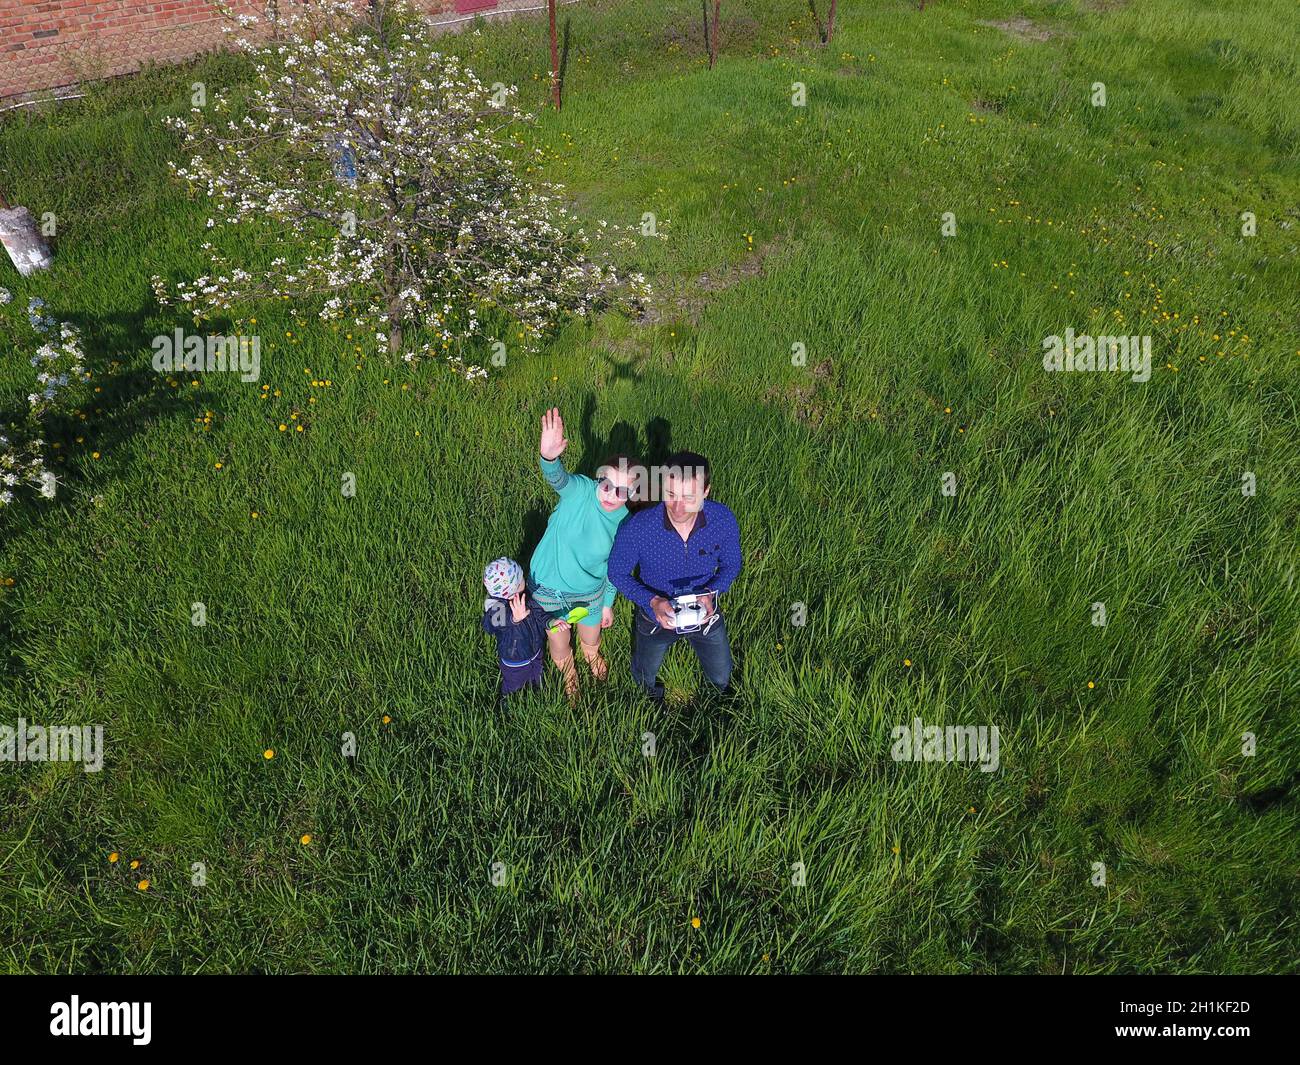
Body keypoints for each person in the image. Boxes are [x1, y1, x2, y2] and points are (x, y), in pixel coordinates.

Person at [607, 451, 742, 701]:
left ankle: (716, 706)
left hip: (705, 612)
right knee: (643, 677)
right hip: (654, 617)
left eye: (689, 497)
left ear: (706, 491)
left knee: (722, 676)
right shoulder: (638, 526)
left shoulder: (722, 519)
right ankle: (650, 705)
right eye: (670, 495)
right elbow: (617, 572)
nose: (678, 508)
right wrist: (652, 601)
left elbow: (732, 564)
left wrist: (711, 593)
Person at [529, 407, 636, 699]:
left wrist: (607, 603)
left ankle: (590, 655)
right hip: (549, 589)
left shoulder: (625, 521)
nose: (612, 495)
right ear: (598, 479)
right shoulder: (580, 491)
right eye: (608, 485)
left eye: (623, 491)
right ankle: (568, 671)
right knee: (559, 641)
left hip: (590, 591)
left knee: (591, 636)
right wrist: (550, 457)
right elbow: (557, 478)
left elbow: (615, 566)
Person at [481, 557, 563, 698]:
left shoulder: (525, 597)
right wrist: (514, 619)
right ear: (512, 589)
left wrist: (550, 622)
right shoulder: (497, 608)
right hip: (514, 659)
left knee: (537, 674)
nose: (524, 578)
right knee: (514, 684)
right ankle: (508, 699)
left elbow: (538, 612)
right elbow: (490, 625)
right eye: (520, 580)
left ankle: (539, 691)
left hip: (535, 649)